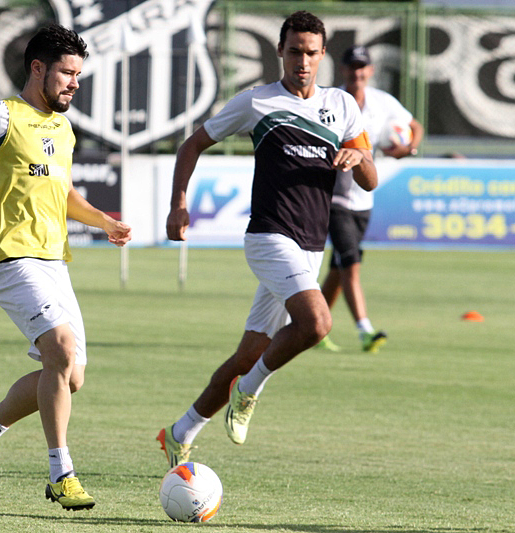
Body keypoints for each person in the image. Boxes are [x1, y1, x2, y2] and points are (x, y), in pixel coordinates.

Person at [0, 25, 131, 511]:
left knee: (70, 375)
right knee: (59, 349)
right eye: (66, 72)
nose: (75, 82)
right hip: (10, 260)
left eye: (79, 74)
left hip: (54, 262)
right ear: (38, 68)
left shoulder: (64, 128)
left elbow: (62, 193)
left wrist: (103, 221)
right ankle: (61, 474)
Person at [157, 11, 377, 467]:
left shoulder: (342, 106)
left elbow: (371, 177)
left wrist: (358, 155)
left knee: (248, 354)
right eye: (294, 51)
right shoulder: (257, 101)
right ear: (280, 51)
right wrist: (179, 204)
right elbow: (191, 144)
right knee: (317, 324)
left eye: (311, 53)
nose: (302, 61)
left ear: (322, 56)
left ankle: (180, 431)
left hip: (311, 248)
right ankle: (250, 391)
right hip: (269, 237)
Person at [317, 45, 424, 353]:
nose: (358, 73)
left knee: (338, 269)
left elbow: (415, 126)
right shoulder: (332, 100)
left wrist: (407, 149)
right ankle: (365, 330)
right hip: (334, 198)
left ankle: (313, 327)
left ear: (371, 70)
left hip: (364, 199)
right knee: (350, 263)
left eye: (363, 67)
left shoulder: (382, 102)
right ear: (343, 70)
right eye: (352, 67)